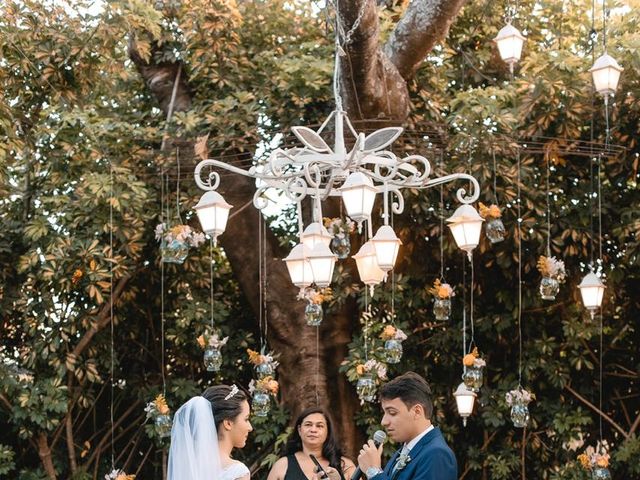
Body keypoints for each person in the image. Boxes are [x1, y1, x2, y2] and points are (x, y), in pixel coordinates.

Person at [356, 372, 457, 480]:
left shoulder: (437, 454)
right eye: (385, 413)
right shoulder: (405, 450)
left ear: (417, 411)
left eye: (392, 412)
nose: (384, 422)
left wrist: (374, 471)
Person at [168, 384, 253, 480]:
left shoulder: (188, 466)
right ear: (228, 423)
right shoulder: (238, 472)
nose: (250, 427)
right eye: (246, 419)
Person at [267, 406, 356, 480]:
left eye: (319, 426)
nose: (313, 430)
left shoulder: (346, 465)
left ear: (328, 432)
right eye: (308, 425)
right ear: (299, 430)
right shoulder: (282, 465)